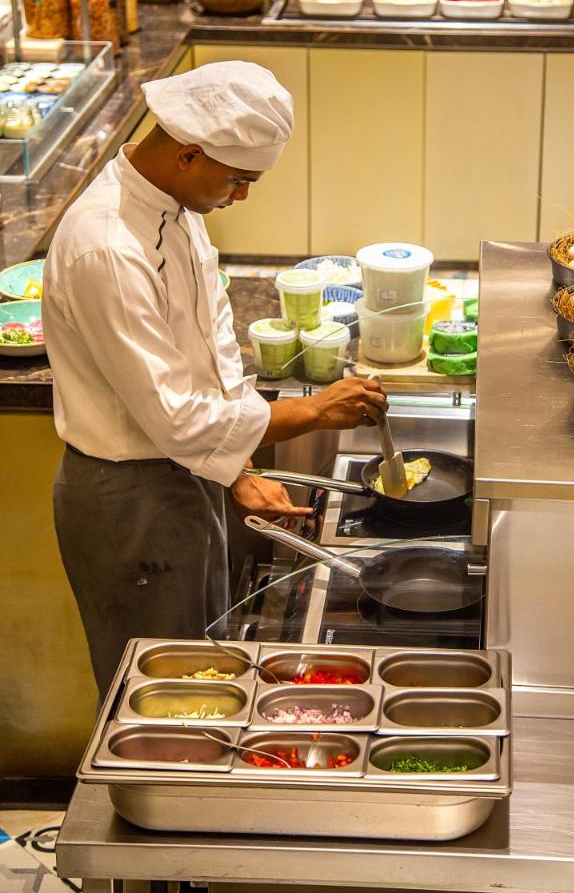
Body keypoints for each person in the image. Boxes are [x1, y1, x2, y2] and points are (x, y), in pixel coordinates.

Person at [43, 60, 386, 696]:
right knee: (159, 693)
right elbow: (176, 417)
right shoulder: (107, 247)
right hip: (130, 498)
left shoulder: (177, 210)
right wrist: (311, 413)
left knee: (199, 666)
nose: (244, 195)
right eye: (240, 179)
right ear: (189, 154)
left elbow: (214, 345)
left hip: (183, 471)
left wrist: (238, 468)